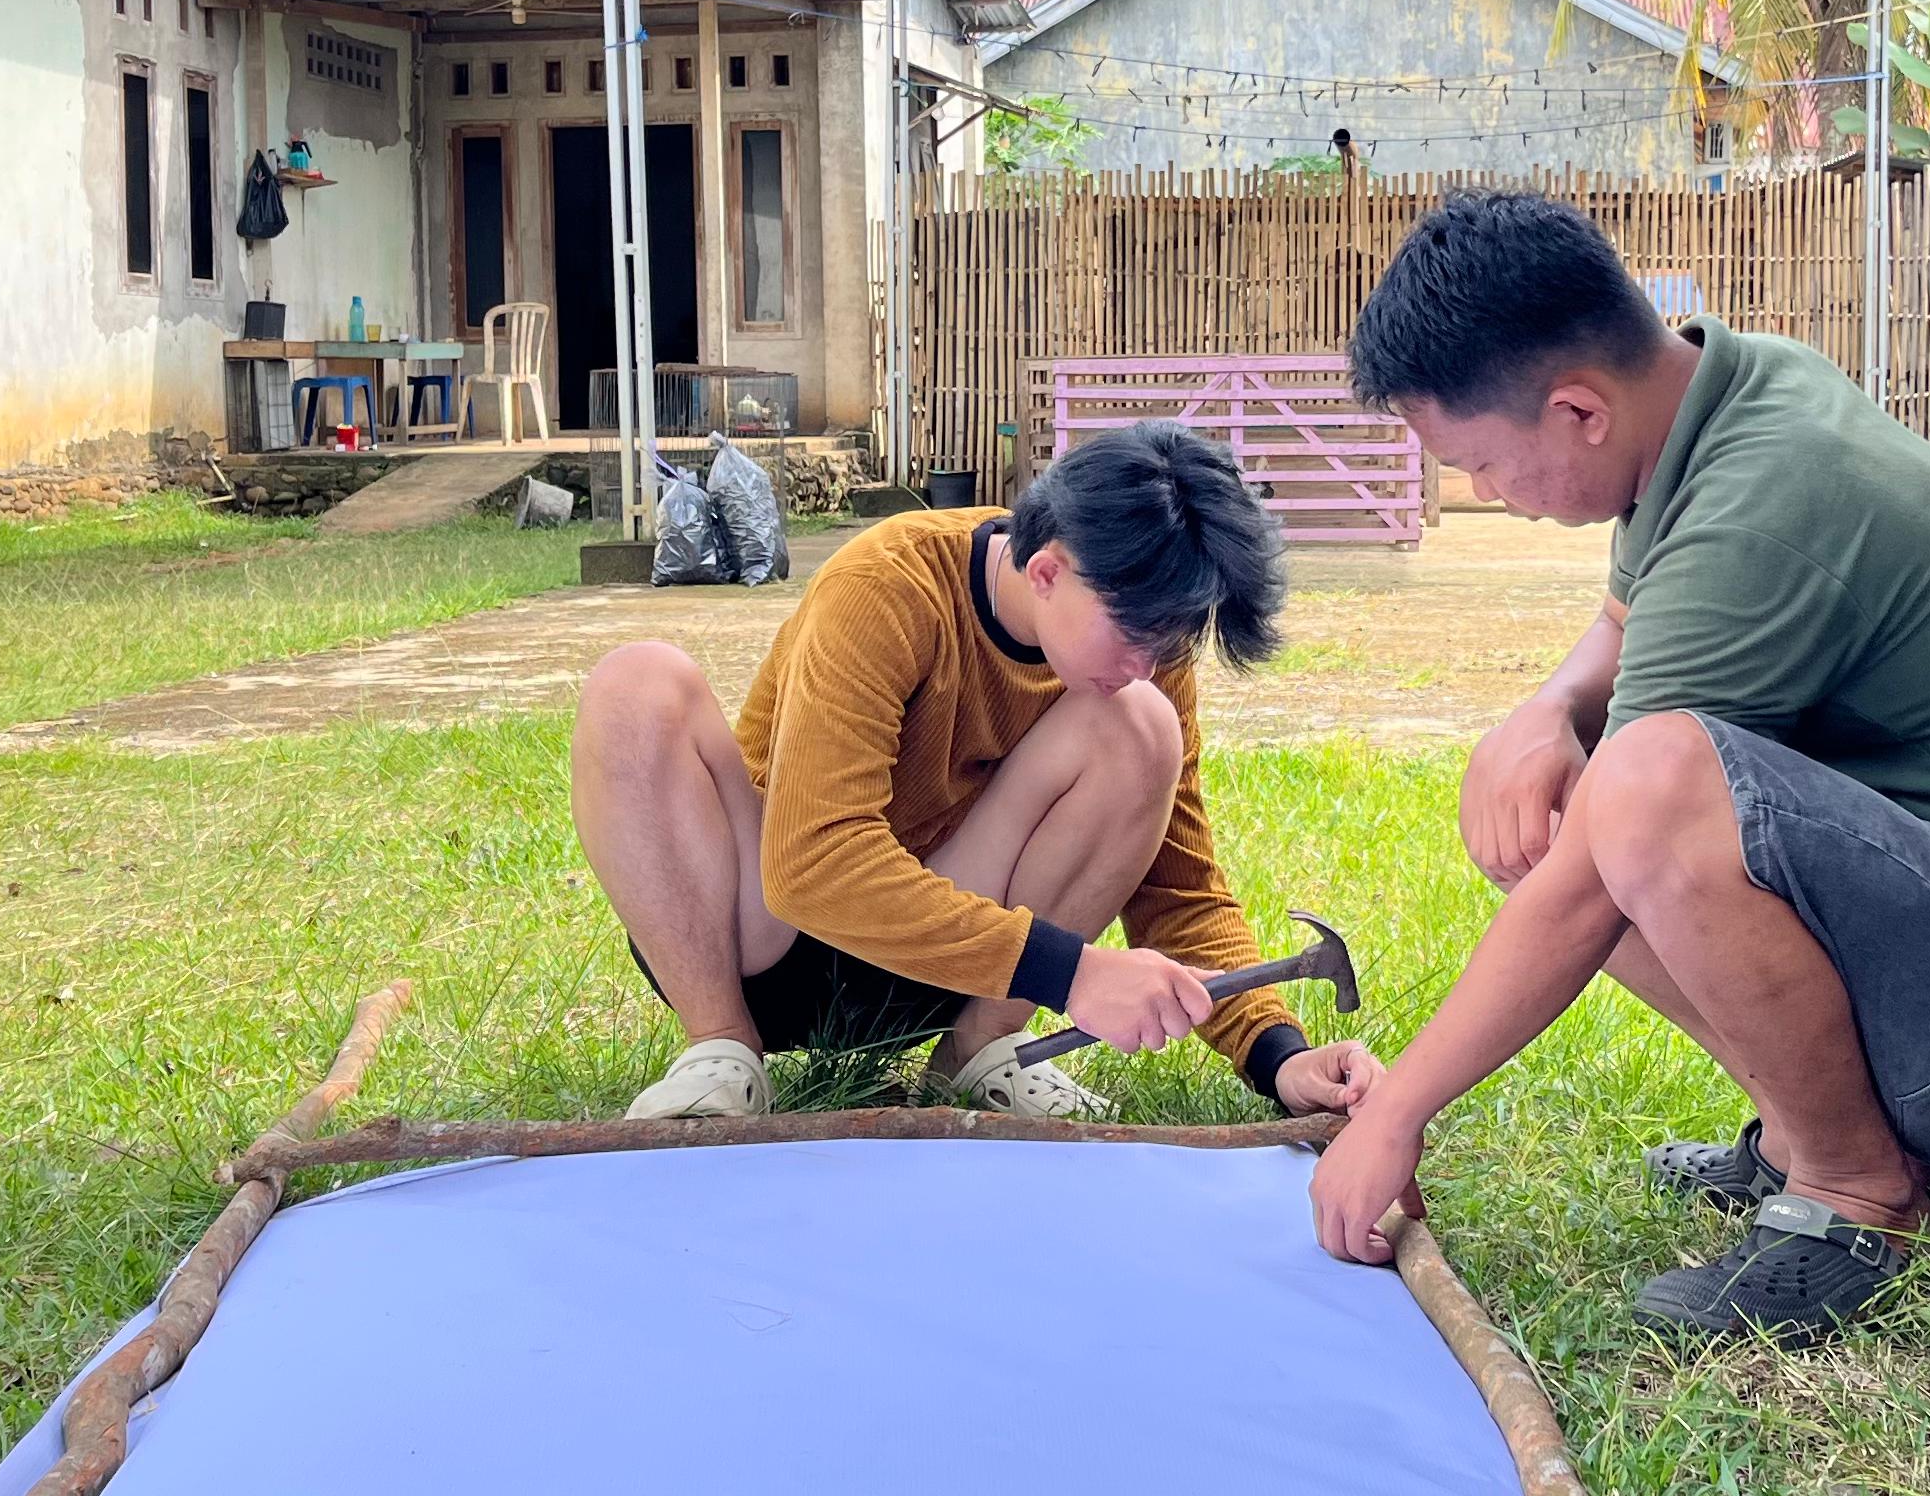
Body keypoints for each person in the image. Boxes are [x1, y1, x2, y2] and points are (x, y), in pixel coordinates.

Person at [1307, 192, 1930, 1339]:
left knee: (1635, 793)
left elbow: (1626, 828)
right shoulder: (1707, 398)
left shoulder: (1766, 498)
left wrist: (1397, 1114)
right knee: (1578, 796)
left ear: (1577, 410)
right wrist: (1545, 709)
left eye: (1479, 462)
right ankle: (1798, 1132)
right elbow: (1633, 623)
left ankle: (1854, 1190)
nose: (1485, 494)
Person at [576, 420, 1381, 1122]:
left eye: (1172, 640)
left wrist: (1276, 1058)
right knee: (636, 683)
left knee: (1141, 727)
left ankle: (980, 1056)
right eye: (1136, 632)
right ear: (1048, 570)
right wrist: (1075, 974)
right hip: (761, 943)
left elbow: (1178, 888)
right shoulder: (887, 586)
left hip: (946, 970)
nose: (1149, 661)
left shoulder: (1144, 659)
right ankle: (719, 1050)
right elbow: (809, 863)